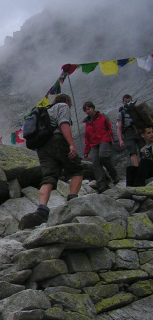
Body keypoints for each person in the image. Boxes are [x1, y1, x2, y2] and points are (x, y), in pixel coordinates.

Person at [19, 94, 83, 229]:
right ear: (67, 101)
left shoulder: (46, 111)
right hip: (57, 141)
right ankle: (73, 202)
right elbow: (64, 124)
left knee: (48, 177)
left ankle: (41, 210)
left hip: (42, 147)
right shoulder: (62, 106)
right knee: (77, 169)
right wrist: (71, 144)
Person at [82, 101, 118, 193]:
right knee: (95, 161)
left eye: (89, 109)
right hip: (94, 144)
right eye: (86, 110)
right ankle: (102, 183)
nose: (88, 111)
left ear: (93, 108)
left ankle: (114, 175)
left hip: (104, 139)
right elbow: (87, 138)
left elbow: (110, 127)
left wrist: (115, 139)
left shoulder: (102, 116)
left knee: (103, 156)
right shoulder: (87, 123)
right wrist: (86, 152)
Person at [117, 94, 143, 167]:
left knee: (143, 149)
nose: (128, 102)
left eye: (129, 101)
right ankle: (136, 168)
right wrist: (120, 140)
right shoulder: (121, 113)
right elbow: (119, 127)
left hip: (138, 131)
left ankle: (145, 167)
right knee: (132, 152)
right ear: (123, 102)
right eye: (126, 101)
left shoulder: (136, 110)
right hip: (128, 133)